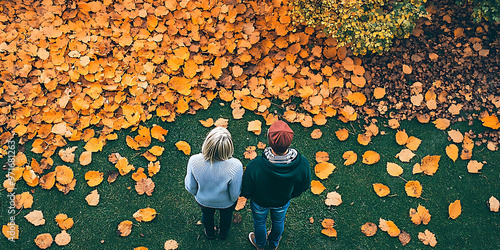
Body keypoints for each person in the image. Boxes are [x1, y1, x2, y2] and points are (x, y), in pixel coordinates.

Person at [241, 120, 311, 250]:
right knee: (279, 221)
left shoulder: (256, 165)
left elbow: (246, 189)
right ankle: (273, 244)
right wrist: (291, 194)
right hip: (282, 201)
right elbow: (304, 185)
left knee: (260, 222)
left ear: (269, 140)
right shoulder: (302, 164)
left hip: (260, 202)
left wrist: (249, 195)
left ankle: (260, 244)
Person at [185, 127, 243, 240]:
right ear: (229, 148)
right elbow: (234, 193)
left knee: (207, 215)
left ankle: (210, 233)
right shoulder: (236, 166)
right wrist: (231, 200)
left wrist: (198, 193)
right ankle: (223, 234)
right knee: (226, 217)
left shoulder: (194, 161)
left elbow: (191, 187)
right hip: (226, 203)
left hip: (203, 200)